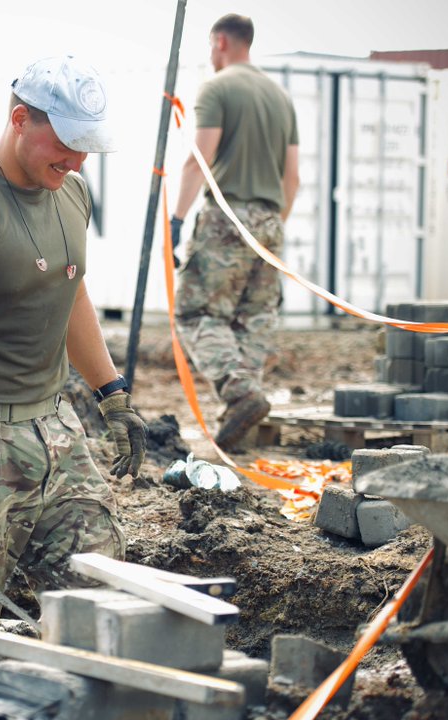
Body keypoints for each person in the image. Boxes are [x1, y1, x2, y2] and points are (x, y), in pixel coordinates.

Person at [0, 55, 148, 629]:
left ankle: (75, 711)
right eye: (65, 143)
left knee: (99, 586)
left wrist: (111, 392)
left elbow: (70, 295)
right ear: (20, 120)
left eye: (86, 147)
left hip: (55, 429)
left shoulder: (71, 193)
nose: (77, 160)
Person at [170, 13, 300, 450]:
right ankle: (242, 412)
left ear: (222, 41)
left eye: (211, 46)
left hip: (227, 216)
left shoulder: (218, 88)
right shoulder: (281, 98)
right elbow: (293, 177)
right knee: (255, 316)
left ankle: (239, 392)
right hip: (270, 220)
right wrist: (272, 227)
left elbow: (198, 161)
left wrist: (177, 219)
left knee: (195, 312)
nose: (210, 55)